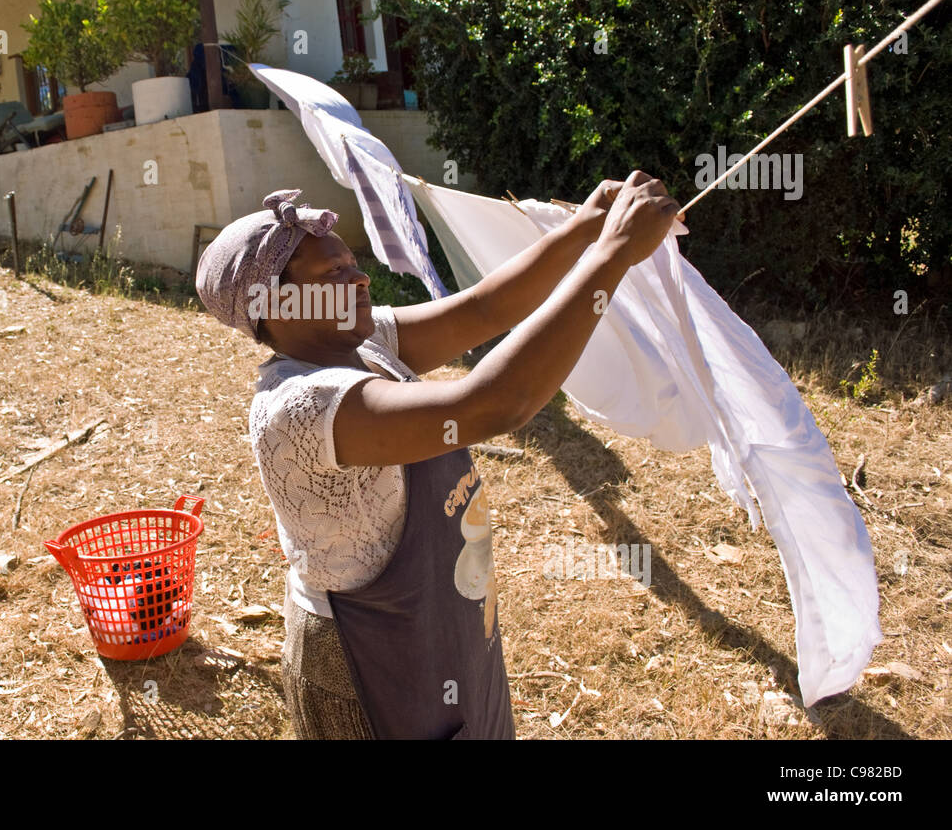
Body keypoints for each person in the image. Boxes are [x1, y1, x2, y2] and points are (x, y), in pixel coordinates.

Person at [195, 171, 682, 739]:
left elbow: (482, 311)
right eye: (333, 272)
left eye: (351, 263)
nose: (360, 278)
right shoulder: (301, 407)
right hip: (371, 662)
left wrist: (584, 230)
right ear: (274, 304)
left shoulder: (358, 340)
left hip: (437, 623)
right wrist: (615, 254)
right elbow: (494, 404)